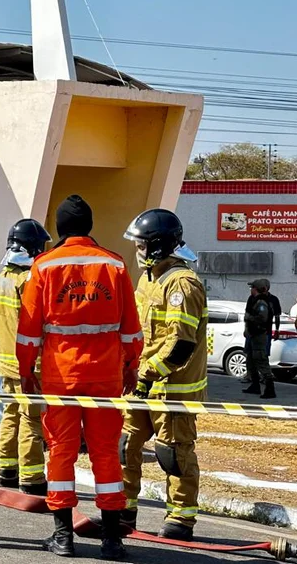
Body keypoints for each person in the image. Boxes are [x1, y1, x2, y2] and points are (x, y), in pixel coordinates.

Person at [16, 195, 142, 559]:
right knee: (106, 455)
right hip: (106, 377)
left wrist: (26, 370)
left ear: (59, 228)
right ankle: (112, 540)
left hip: (61, 377)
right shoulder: (115, 265)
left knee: (61, 453)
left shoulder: (44, 266)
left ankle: (63, 536)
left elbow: (28, 331)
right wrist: (131, 365)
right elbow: (131, 328)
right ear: (89, 226)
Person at [121, 208, 208, 542]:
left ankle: (181, 518)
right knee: (126, 445)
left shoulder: (182, 284)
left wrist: (147, 375)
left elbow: (180, 344)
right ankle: (124, 508)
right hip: (142, 382)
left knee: (174, 452)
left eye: (142, 244)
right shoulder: (149, 277)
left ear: (158, 245)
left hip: (173, 387)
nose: (138, 250)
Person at [0, 218, 50, 497]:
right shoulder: (27, 280)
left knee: (11, 415)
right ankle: (32, 476)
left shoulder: (2, 277)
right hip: (27, 363)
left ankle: (6, 470)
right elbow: (34, 322)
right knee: (31, 420)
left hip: (6, 360)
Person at [243, 279, 276, 399]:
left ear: (256, 289)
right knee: (251, 361)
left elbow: (262, 318)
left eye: (252, 288)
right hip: (253, 334)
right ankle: (255, 385)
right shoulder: (254, 300)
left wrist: (249, 318)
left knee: (261, 360)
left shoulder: (261, 303)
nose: (251, 290)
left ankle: (269, 388)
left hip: (259, 335)